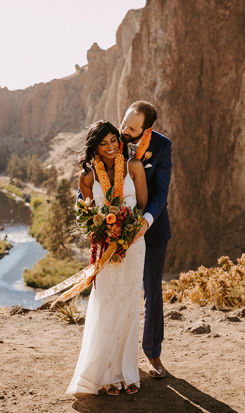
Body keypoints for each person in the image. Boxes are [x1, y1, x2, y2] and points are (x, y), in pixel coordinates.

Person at [66, 121, 148, 396]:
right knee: (107, 303)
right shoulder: (87, 177)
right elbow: (87, 216)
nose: (111, 147)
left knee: (128, 305)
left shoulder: (134, 166)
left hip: (134, 245)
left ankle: (128, 371)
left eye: (114, 140)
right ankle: (108, 373)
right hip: (105, 249)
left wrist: (127, 228)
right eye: (104, 143)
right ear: (94, 147)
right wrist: (104, 231)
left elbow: (144, 205)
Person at [120, 101, 172, 378]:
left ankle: (153, 354)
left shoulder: (162, 147)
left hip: (152, 229)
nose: (124, 130)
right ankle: (118, 354)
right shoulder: (111, 139)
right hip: (116, 230)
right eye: (124, 122)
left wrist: (145, 222)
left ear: (146, 129)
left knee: (152, 292)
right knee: (119, 291)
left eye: (132, 127)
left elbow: (161, 194)